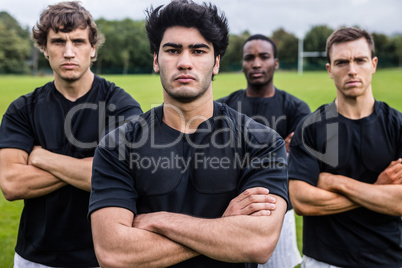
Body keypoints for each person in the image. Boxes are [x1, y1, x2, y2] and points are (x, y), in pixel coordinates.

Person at [88, 1, 289, 267]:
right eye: (172, 50)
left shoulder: (262, 143)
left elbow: (257, 244)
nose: (184, 62)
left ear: (216, 62)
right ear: (156, 61)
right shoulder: (117, 145)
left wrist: (159, 221)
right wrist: (224, 228)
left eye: (198, 50)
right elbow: (114, 253)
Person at [0, 2, 142, 267]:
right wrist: (89, 166)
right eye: (58, 42)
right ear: (44, 48)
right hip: (34, 257)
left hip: (100, 256)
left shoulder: (121, 106)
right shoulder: (22, 109)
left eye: (77, 41)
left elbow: (124, 176)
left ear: (93, 49)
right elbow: (12, 184)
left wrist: (43, 158)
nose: (68, 52)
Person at [288, 27, 402, 268]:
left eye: (359, 60)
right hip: (325, 260)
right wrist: (378, 190)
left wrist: (335, 182)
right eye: (341, 62)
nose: (352, 70)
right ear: (330, 69)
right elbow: (302, 201)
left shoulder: (397, 125)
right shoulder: (312, 127)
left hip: (389, 258)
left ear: (373, 64)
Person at [217, 34, 309, 268]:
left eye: (264, 57)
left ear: (275, 63)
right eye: (249, 57)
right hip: (232, 209)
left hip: (278, 210)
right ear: (243, 63)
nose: (256, 63)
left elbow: (298, 162)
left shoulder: (296, 108)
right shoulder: (223, 107)